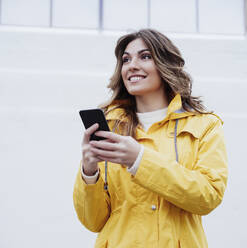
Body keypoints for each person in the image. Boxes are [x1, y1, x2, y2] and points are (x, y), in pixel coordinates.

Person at [73, 28, 228, 248]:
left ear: (166, 64)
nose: (132, 65)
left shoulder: (204, 125)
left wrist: (139, 160)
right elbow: (92, 221)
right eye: (126, 59)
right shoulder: (110, 127)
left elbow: (208, 197)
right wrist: (89, 173)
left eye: (145, 56)